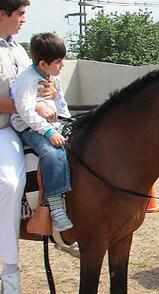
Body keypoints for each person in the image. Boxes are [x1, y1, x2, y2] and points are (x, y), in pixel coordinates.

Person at [0, 1, 57, 292]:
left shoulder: (19, 50)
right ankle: (9, 270)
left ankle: (56, 220)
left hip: (21, 125)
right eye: (20, 14)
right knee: (10, 183)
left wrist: (51, 90)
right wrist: (30, 106)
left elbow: (37, 83)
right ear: (2, 13)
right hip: (3, 129)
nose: (24, 20)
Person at [11, 32, 72, 232]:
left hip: (52, 125)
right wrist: (48, 133)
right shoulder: (25, 80)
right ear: (44, 64)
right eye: (58, 61)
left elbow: (61, 104)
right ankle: (55, 206)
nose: (62, 65)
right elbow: (25, 111)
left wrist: (68, 123)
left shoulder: (53, 77)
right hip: (29, 127)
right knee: (52, 152)